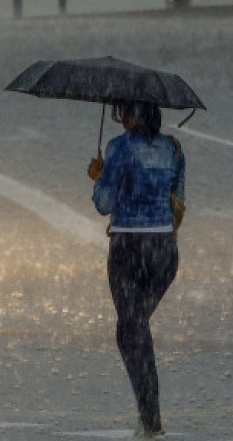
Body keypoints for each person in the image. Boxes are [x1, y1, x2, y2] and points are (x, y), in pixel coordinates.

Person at [87, 101, 184, 439]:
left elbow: (104, 204)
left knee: (131, 331)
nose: (120, 121)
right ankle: (149, 417)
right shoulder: (173, 148)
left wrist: (100, 176)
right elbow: (178, 199)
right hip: (164, 252)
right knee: (133, 329)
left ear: (129, 115)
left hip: (129, 249)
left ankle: (151, 420)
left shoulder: (119, 148)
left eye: (120, 114)